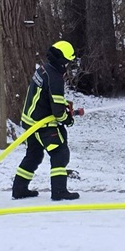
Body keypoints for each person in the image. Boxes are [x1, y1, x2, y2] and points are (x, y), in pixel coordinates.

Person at [12, 40, 80, 201]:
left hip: (30, 122)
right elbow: (58, 112)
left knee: (34, 155)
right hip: (43, 124)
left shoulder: (43, 69)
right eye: (68, 62)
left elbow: (45, 96)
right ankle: (59, 192)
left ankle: (19, 189)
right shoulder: (55, 77)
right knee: (60, 153)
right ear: (63, 61)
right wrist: (67, 119)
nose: (68, 65)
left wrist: (63, 105)